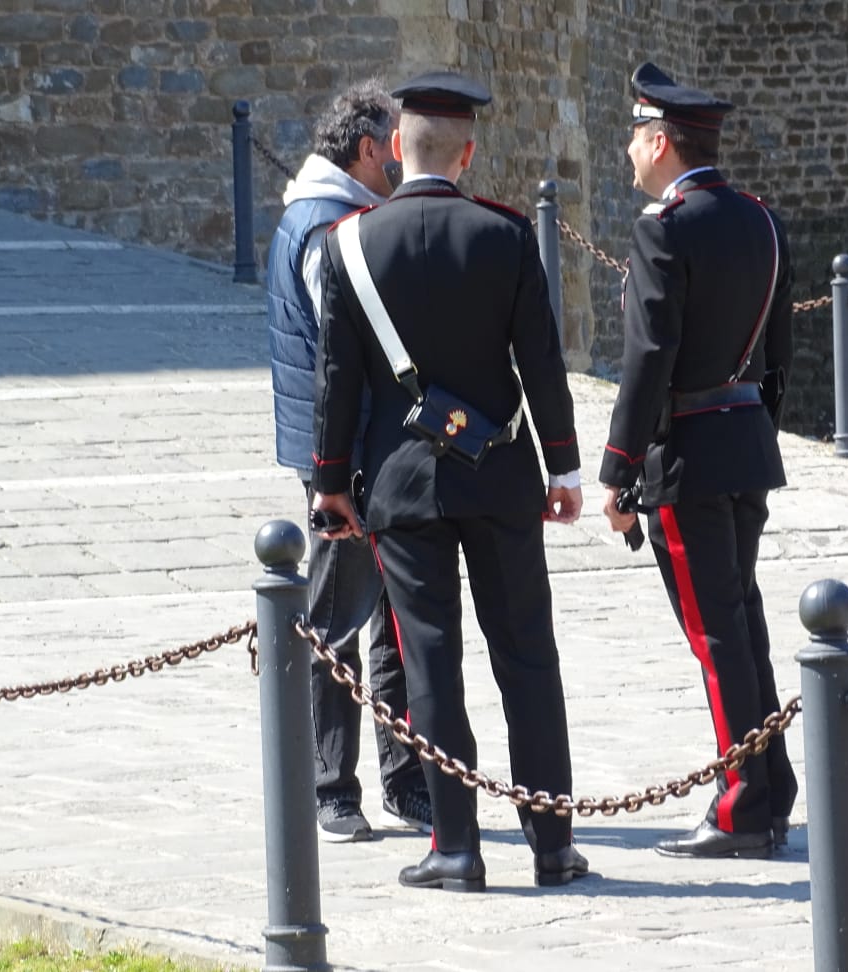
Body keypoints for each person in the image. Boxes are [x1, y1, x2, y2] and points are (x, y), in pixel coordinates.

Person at [310, 70, 590, 892]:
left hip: (400, 487)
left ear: (396, 148)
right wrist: (565, 467)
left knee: (430, 666)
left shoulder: (349, 244)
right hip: (500, 475)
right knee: (527, 660)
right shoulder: (505, 236)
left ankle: (457, 849)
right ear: (468, 153)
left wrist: (331, 483)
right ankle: (552, 846)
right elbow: (543, 361)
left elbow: (340, 381)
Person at [598, 62, 799, 860]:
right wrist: (757, 430)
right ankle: (771, 783)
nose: (626, 151)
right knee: (742, 625)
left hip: (684, 454)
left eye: (633, 138)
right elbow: (779, 357)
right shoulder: (761, 221)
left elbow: (649, 355)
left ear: (659, 141)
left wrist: (618, 469)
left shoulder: (664, 228)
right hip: (745, 444)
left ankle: (743, 803)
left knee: (715, 637)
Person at [265, 79, 431, 843]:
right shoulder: (325, 227)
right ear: (368, 149)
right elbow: (343, 356)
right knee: (335, 619)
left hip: (369, 450)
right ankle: (330, 786)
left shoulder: (335, 216)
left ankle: (405, 779)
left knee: (393, 619)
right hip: (347, 456)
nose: (400, 157)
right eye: (391, 145)